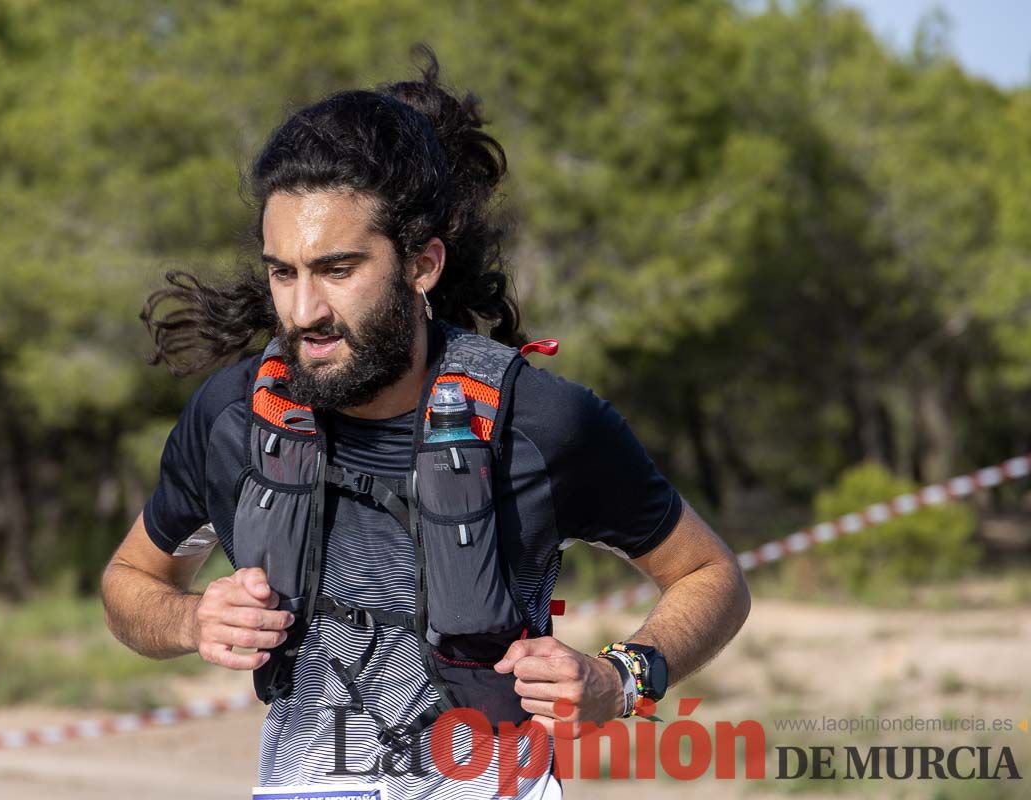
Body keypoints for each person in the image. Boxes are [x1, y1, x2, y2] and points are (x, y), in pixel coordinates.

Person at [101, 47, 751, 799]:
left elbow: (711, 576)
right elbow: (130, 583)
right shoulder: (233, 417)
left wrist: (620, 678)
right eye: (285, 272)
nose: (303, 311)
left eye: (337, 270)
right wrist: (189, 620)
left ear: (422, 265)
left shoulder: (539, 424)